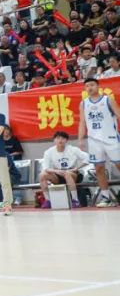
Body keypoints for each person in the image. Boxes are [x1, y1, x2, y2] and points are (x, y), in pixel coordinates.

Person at [77, 76, 120, 207]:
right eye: (87, 86)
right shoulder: (83, 103)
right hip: (94, 141)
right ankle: (106, 197)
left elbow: (119, 114)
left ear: (98, 86)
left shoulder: (108, 100)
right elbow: (82, 122)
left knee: (119, 165)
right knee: (99, 168)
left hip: (111, 138)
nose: (90, 88)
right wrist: (80, 139)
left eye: (92, 85)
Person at [38, 131, 90, 209]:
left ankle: (75, 200)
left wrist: (77, 168)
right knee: (42, 175)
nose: (60, 140)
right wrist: (56, 171)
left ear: (66, 140)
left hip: (72, 174)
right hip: (58, 174)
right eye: (58, 138)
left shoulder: (73, 149)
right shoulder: (48, 152)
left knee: (67, 173)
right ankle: (48, 200)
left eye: (63, 138)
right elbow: (46, 167)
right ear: (54, 140)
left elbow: (88, 157)